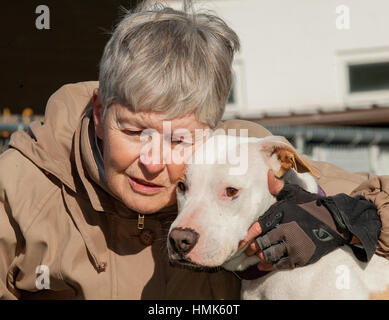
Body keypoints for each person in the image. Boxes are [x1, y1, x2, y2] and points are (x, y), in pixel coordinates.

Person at [0, 2, 388, 299]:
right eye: (134, 131)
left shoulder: (241, 155)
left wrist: (336, 218)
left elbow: (373, 197)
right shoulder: (20, 186)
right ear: (100, 114)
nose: (152, 162)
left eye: (178, 139)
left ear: (211, 132)